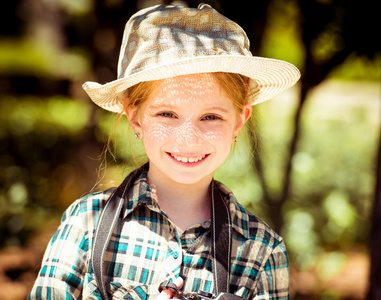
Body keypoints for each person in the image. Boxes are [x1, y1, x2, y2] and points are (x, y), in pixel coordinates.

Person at [28, 3, 300, 300]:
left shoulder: (261, 251)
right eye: (167, 114)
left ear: (239, 122)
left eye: (211, 117)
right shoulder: (86, 224)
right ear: (135, 118)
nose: (188, 138)